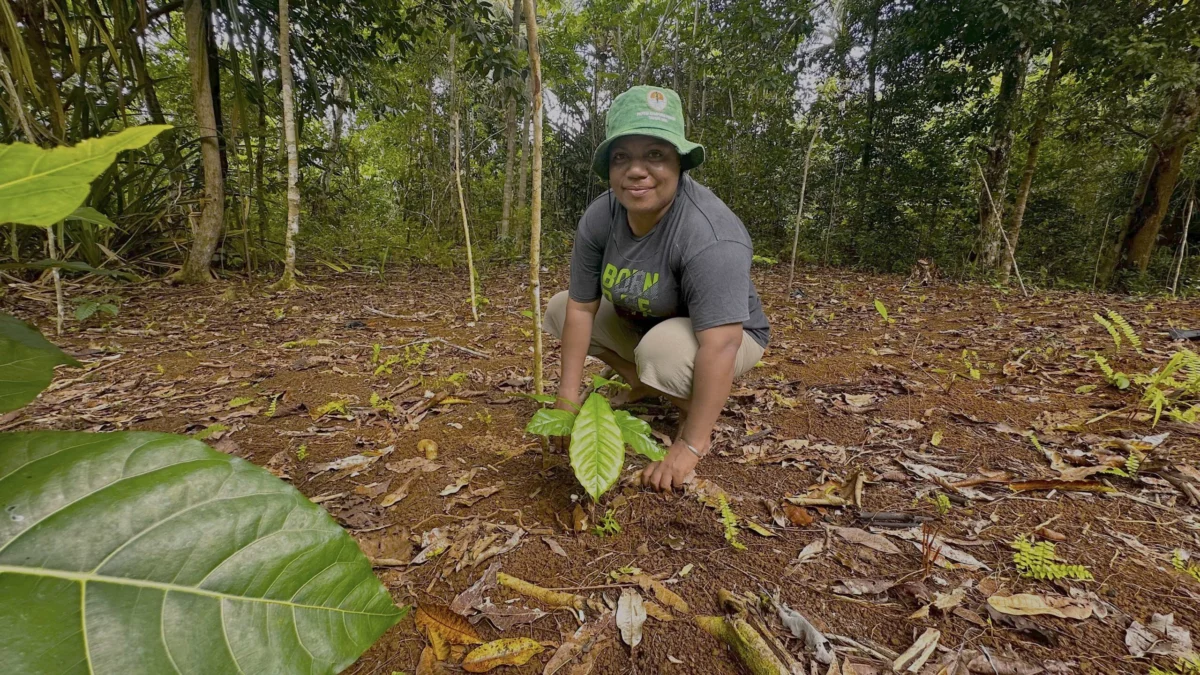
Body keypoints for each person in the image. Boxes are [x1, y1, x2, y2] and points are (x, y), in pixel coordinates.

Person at [543, 85, 770, 493]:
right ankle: (654, 387)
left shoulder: (709, 232)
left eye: (655, 155)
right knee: (560, 307)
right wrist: (567, 400)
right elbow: (580, 309)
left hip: (728, 336)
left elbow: (721, 343)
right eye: (622, 157)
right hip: (649, 319)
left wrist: (690, 445)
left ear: (679, 164)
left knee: (661, 353)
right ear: (610, 168)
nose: (636, 170)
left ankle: (697, 414)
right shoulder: (601, 216)